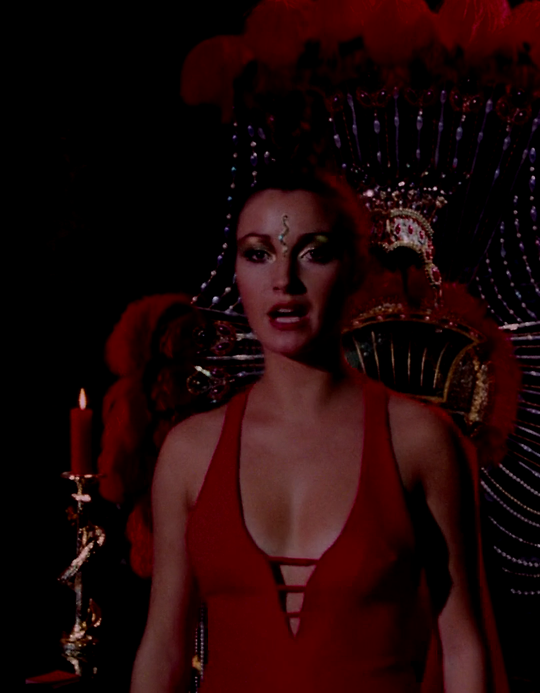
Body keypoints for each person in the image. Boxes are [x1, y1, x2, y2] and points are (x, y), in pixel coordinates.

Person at [130, 170, 504, 692]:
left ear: (353, 268)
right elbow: (164, 648)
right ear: (236, 271)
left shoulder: (418, 440)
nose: (283, 279)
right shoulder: (190, 451)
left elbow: (462, 645)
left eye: (314, 252)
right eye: (258, 253)